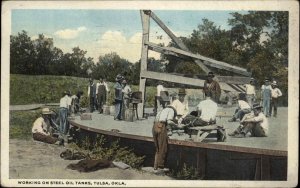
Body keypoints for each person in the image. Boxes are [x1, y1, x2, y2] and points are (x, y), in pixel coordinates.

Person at [152, 105, 181, 173]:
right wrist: (177, 126)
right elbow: (169, 121)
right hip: (161, 126)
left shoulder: (162, 110)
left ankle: (155, 167)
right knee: (163, 147)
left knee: (158, 148)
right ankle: (160, 167)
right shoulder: (171, 111)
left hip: (154, 126)